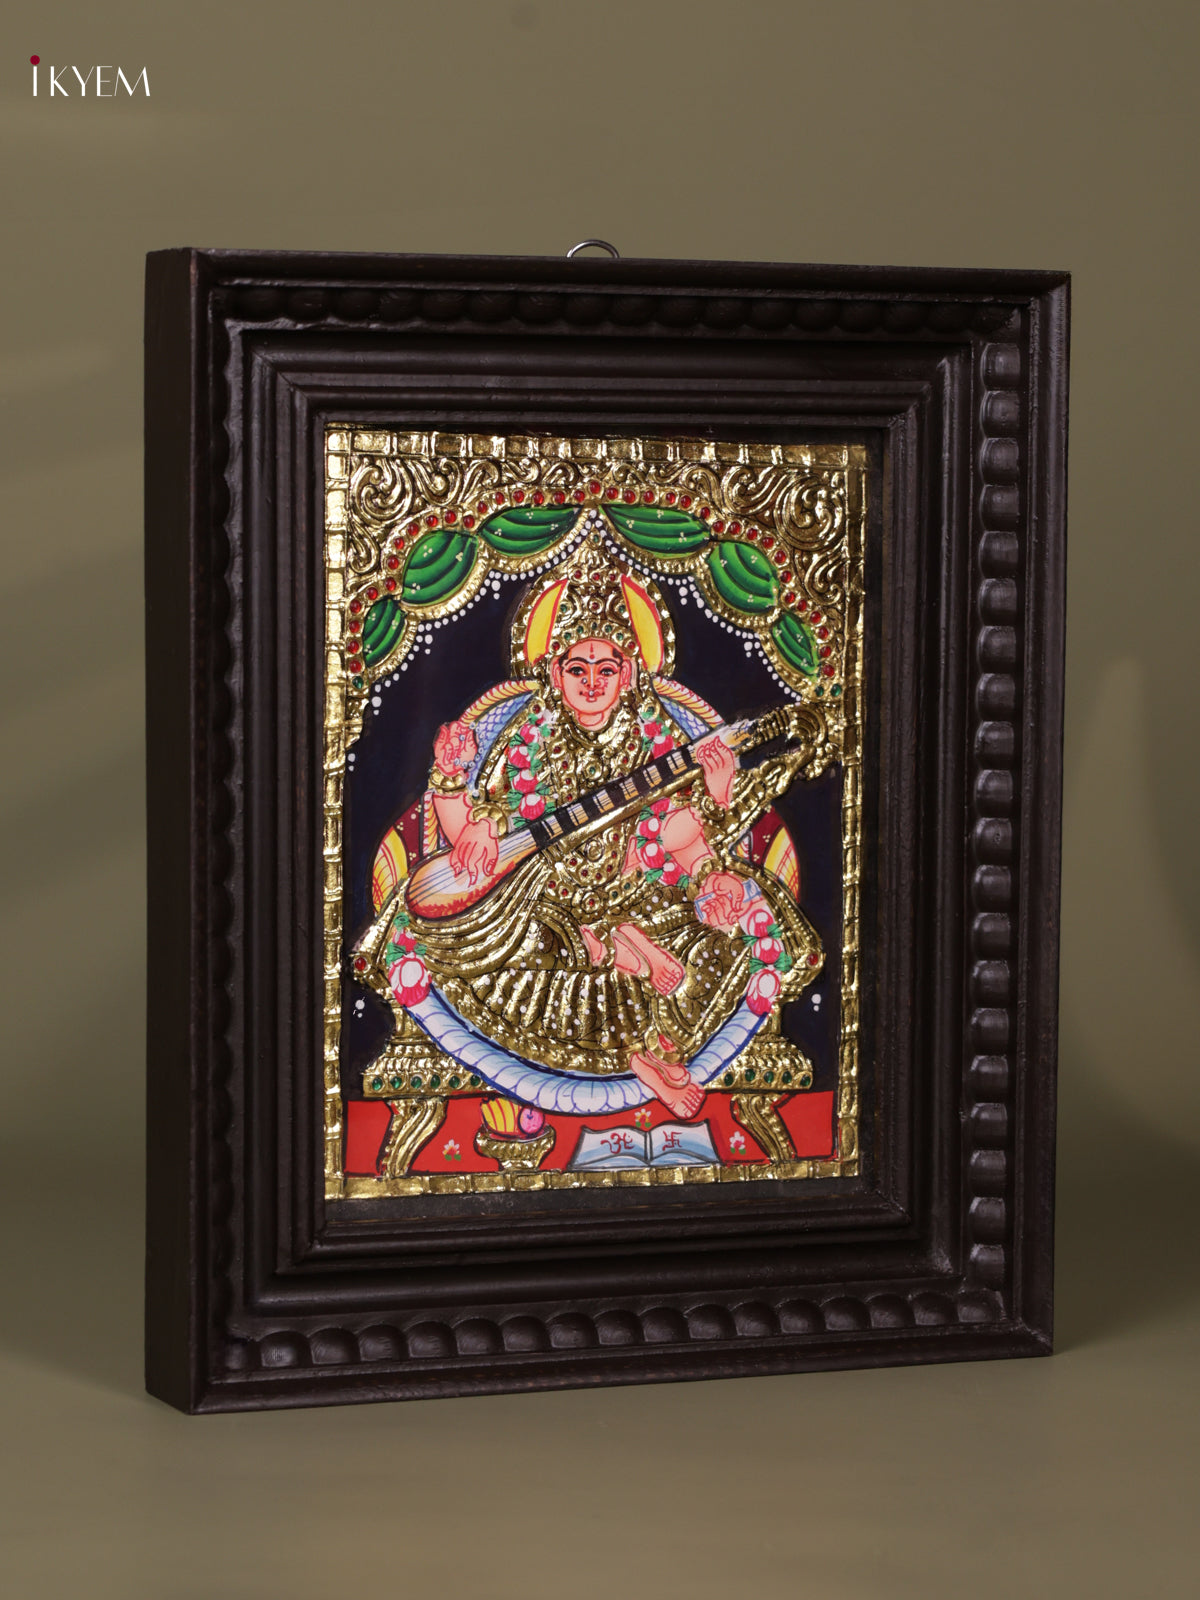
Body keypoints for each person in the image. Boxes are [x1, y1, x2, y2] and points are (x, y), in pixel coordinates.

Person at [384, 535, 821, 1119]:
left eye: (606, 668)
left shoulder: (658, 737)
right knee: (501, 940)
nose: (592, 682)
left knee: (731, 925)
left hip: (643, 899)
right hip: (545, 907)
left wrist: (711, 855)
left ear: (629, 673)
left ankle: (637, 997)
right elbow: (474, 843)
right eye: (578, 668)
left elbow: (681, 841)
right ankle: (629, 1004)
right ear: (555, 672)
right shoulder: (529, 738)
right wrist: (452, 783)